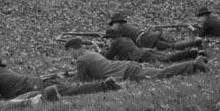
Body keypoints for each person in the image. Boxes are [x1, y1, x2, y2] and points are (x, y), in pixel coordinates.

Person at [0, 56, 122, 101]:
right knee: (72, 89)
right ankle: (104, 85)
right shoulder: (5, 72)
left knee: (73, 91)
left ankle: (105, 86)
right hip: (41, 83)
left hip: (40, 87)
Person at [64, 38, 208, 81]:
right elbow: (93, 70)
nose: (70, 55)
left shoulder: (82, 60)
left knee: (160, 74)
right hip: (126, 66)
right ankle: (193, 62)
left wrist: (64, 80)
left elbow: (80, 79)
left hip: (126, 71)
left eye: (69, 52)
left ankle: (194, 64)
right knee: (161, 71)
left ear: (73, 49)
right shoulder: (90, 53)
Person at [108, 12, 202, 51]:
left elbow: (116, 42)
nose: (112, 26)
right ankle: (194, 42)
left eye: (113, 24)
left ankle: (195, 42)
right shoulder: (127, 25)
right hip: (149, 34)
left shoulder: (118, 28)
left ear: (116, 23)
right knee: (173, 43)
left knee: (172, 47)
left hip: (145, 39)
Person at [101, 28, 199, 63]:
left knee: (166, 59)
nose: (107, 42)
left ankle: (189, 53)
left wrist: (100, 50)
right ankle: (191, 52)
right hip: (145, 50)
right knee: (166, 55)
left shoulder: (115, 44)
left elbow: (108, 57)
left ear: (111, 39)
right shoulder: (125, 39)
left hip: (142, 56)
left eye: (107, 39)